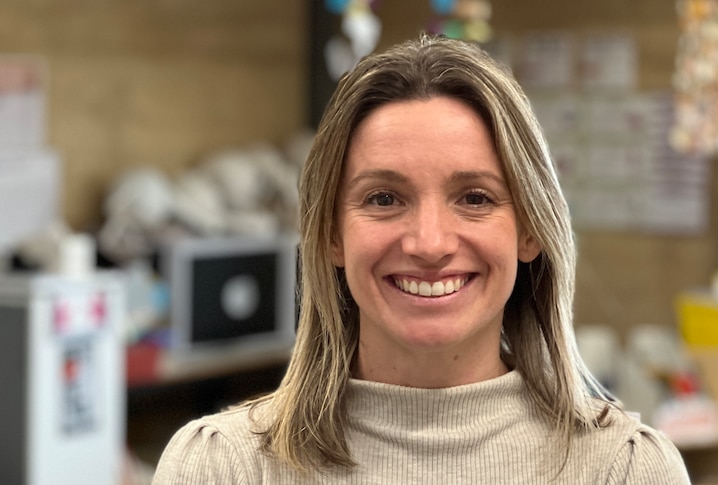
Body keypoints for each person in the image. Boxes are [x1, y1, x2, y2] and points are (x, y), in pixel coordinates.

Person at [152, 34, 690, 484]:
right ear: (331, 236)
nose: (429, 244)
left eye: (475, 198)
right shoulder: (222, 468)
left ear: (530, 230)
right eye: (384, 198)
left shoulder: (624, 470)